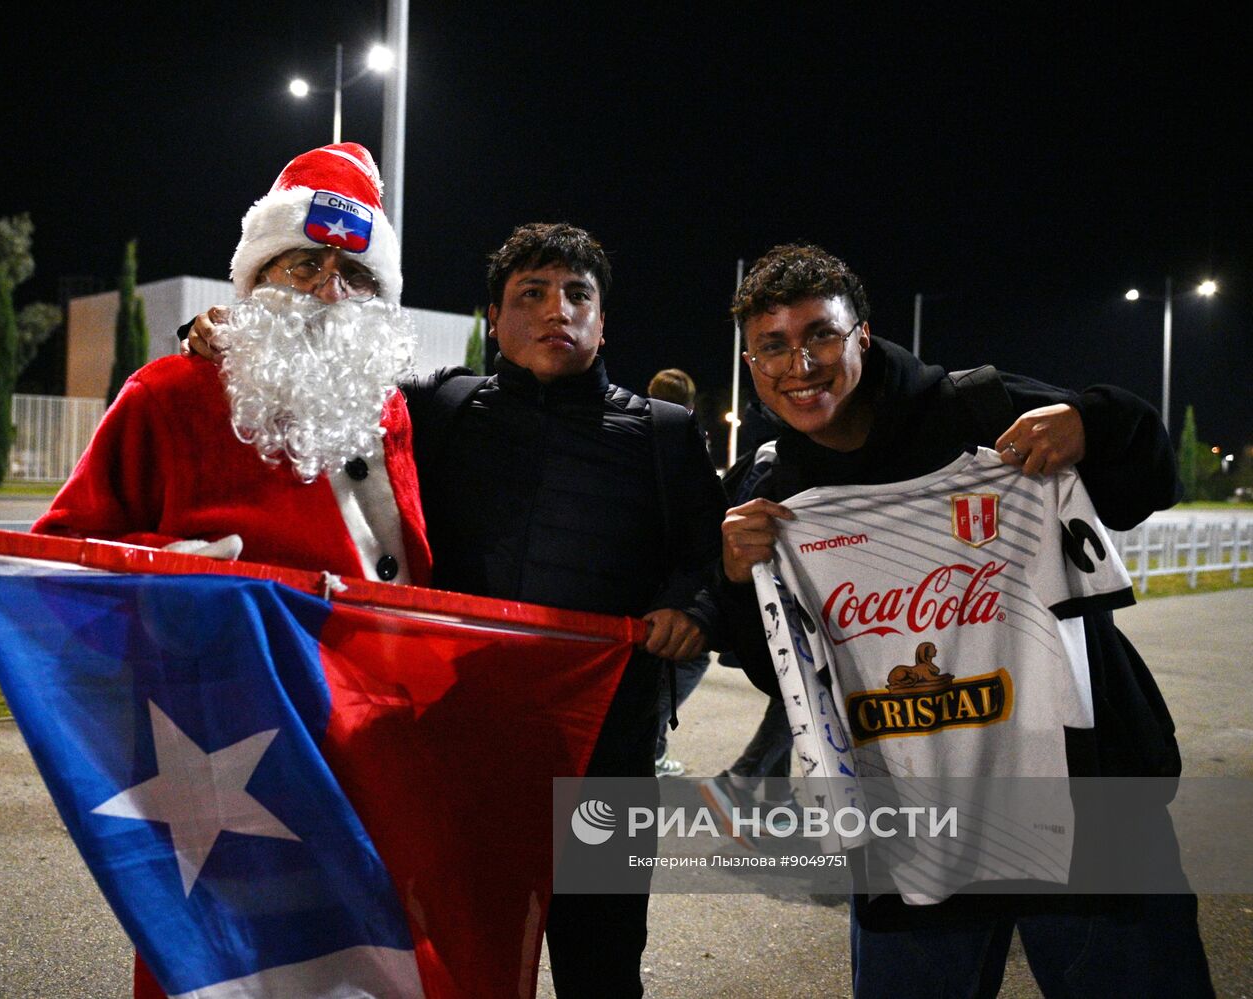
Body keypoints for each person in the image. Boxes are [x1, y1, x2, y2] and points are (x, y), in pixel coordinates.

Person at [187, 223, 727, 997]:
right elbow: (314, 386)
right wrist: (218, 337)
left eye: (579, 294)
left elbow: (709, 561)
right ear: (494, 319)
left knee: (604, 965)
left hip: (610, 759)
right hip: (467, 752)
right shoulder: (440, 408)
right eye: (531, 294)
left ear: (603, 321)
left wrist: (692, 603)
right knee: (460, 959)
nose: (557, 311)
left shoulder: (664, 435)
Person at [714, 243, 1213, 997]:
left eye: (821, 334)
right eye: (774, 346)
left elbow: (1154, 470)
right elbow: (778, 672)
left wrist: (1093, 421)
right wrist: (736, 577)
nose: (801, 363)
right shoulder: (771, 490)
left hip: (1086, 811)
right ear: (752, 365)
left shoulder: (982, 413)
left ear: (863, 336)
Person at [35, 142, 428, 999]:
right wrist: (168, 582)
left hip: (368, 754)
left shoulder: (393, 407)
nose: (332, 291)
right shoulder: (168, 395)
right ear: (257, 277)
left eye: (357, 275)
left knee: (369, 958)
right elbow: (56, 561)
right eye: (306, 265)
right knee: (229, 968)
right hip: (229, 755)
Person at [645, 367, 711, 778]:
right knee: (689, 657)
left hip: (633, 569)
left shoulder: (625, 426)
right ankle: (650, 740)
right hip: (670, 573)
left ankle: (651, 741)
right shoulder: (686, 440)